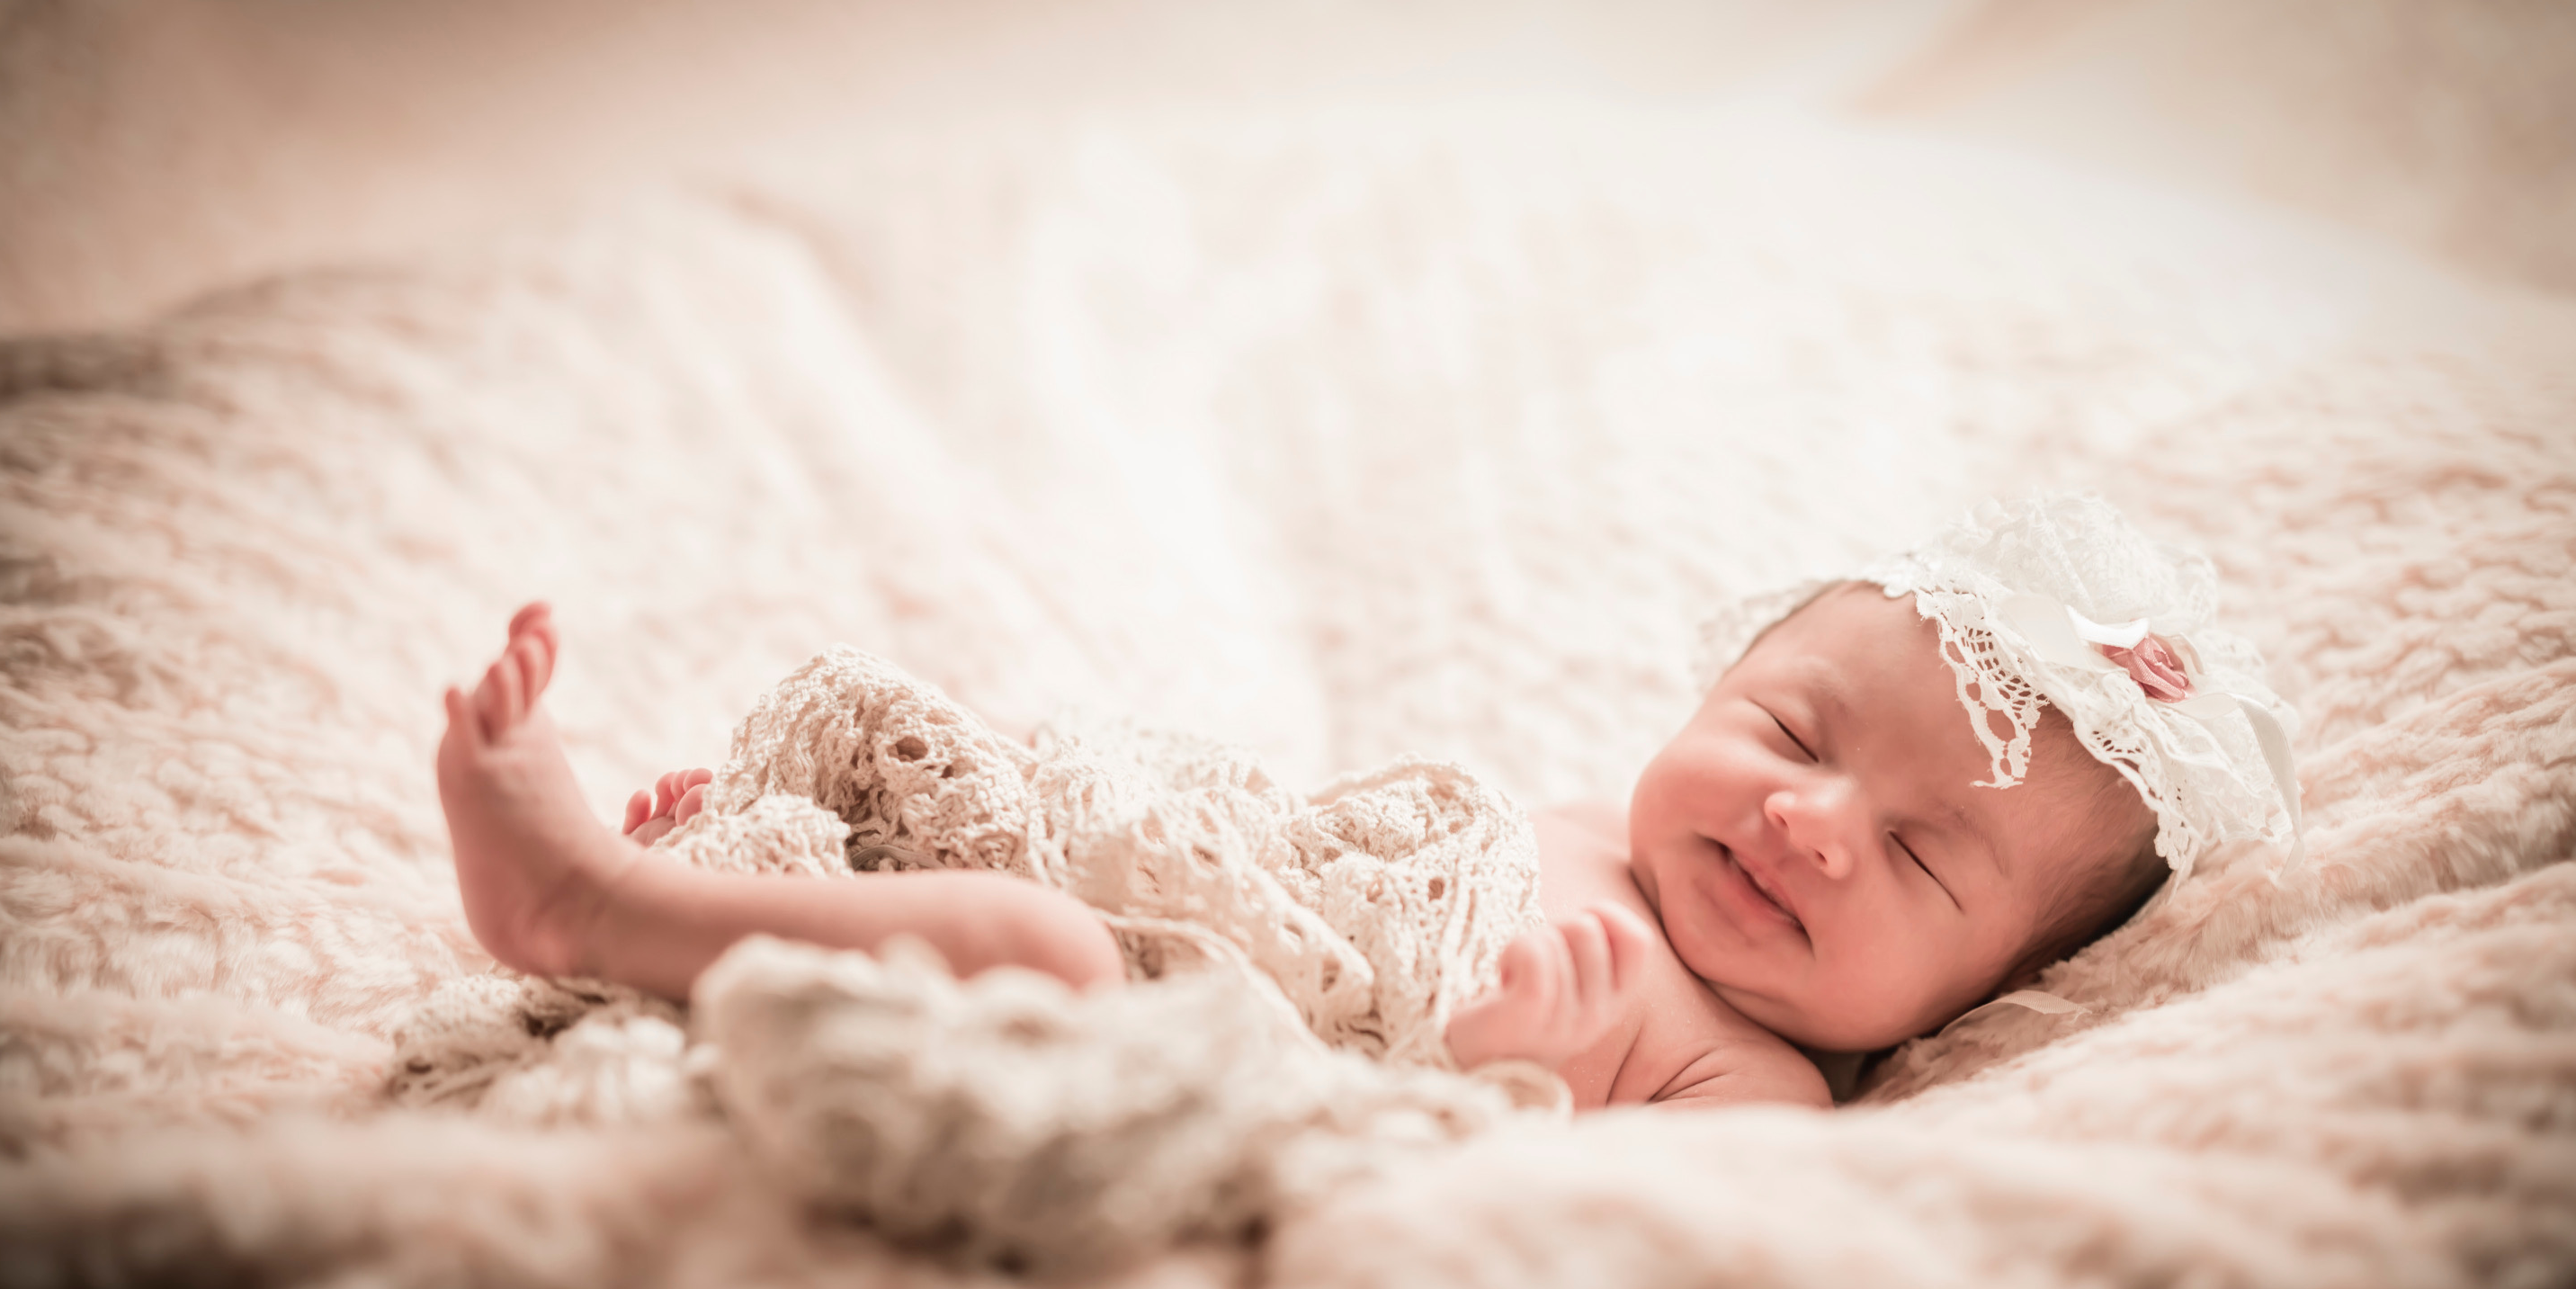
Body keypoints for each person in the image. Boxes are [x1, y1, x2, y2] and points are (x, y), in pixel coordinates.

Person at [437, 495, 2301, 1112]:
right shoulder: (1588, 827)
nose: (1809, 819)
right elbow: (1279, 854)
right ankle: (766, 868)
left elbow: (1637, 1233)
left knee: (1034, 951)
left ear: (1971, 1001)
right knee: (995, 835)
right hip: (1200, 904)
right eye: (1792, 729)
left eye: (1914, 854)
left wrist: (1546, 1078)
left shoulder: (1754, 1077)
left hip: (1201, 1031)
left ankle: (583, 903)